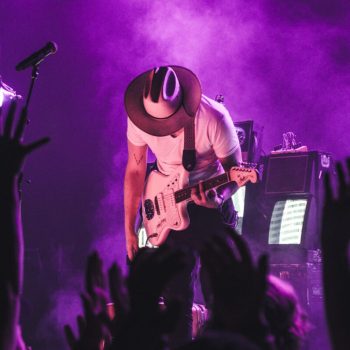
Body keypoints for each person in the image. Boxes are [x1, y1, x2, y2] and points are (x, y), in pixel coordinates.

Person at [123, 65, 242, 347]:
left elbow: (235, 173)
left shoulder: (214, 116)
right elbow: (136, 170)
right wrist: (129, 227)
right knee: (176, 297)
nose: (161, 131)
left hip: (210, 201)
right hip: (165, 203)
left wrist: (220, 197)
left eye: (168, 123)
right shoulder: (139, 115)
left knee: (220, 290)